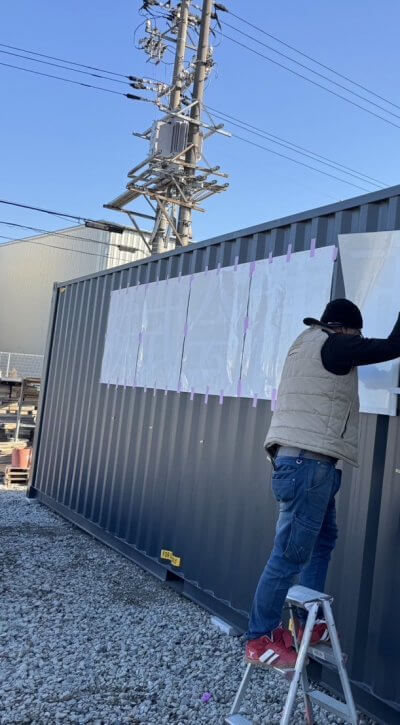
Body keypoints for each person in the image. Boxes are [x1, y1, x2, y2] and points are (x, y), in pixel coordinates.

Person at [245, 298, 400, 669]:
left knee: (322, 540)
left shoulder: (304, 344)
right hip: (308, 467)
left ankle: (308, 624)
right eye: (357, 334)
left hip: (302, 463)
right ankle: (259, 637)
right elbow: (393, 346)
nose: (357, 340)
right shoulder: (335, 345)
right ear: (344, 329)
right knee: (288, 555)